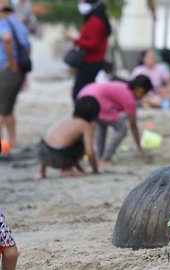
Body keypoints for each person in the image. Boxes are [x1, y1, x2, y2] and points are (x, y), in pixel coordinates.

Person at [78, 75, 152, 163]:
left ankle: (100, 155)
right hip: (95, 101)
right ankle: (105, 158)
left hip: (83, 96)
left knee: (102, 125)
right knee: (121, 129)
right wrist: (140, 148)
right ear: (140, 90)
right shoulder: (129, 99)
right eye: (144, 93)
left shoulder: (123, 86)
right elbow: (133, 125)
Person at [36, 96, 100, 179]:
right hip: (59, 156)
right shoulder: (85, 126)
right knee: (81, 144)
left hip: (41, 154)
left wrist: (80, 169)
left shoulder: (66, 120)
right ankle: (66, 170)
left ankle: (41, 172)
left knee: (53, 143)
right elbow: (89, 152)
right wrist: (95, 170)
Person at [65, 0, 111, 101]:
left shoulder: (94, 22)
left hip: (90, 62)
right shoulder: (96, 20)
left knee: (81, 94)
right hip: (93, 61)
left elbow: (93, 44)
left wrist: (74, 40)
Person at [0, 1, 31, 149]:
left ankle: (3, 144)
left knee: (1, 109)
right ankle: (12, 141)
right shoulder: (18, 23)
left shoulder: (3, 23)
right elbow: (28, 48)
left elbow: (6, 39)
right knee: (8, 108)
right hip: (19, 72)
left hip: (7, 71)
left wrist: (11, 63)